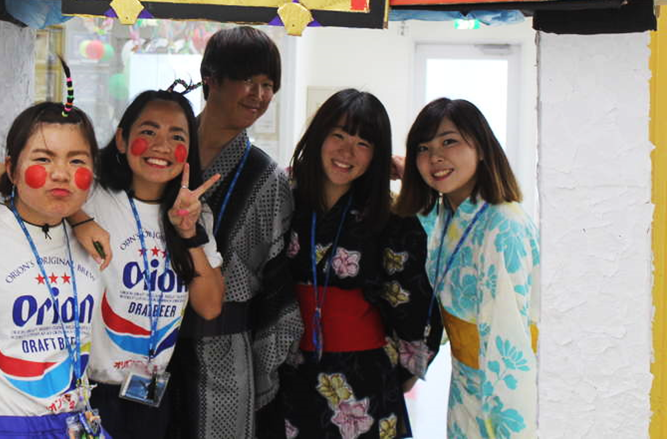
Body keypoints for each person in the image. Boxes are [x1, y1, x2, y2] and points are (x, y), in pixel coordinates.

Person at [280, 89, 442, 438]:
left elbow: (413, 298)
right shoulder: (284, 195)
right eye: (337, 135)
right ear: (318, 136)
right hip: (288, 369)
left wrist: (409, 365)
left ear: (377, 156)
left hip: (365, 376)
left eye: (363, 143)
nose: (346, 152)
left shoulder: (391, 214)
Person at [0, 101, 110, 438]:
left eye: (77, 160)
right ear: (11, 168)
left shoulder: (91, 239)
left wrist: (80, 218)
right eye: (43, 159)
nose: (61, 173)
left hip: (75, 422)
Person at [170, 26, 302, 439]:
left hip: (226, 353)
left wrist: (261, 373)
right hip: (147, 344)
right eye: (248, 80)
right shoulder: (163, 155)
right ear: (210, 77)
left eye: (268, 85)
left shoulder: (269, 179)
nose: (259, 95)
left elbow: (278, 287)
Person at [81, 87, 224, 437]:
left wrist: (189, 233)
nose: (162, 146)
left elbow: (210, 306)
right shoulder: (90, 197)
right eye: (148, 132)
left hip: (151, 393)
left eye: (176, 136)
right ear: (121, 139)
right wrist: (77, 219)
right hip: (90, 392)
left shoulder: (195, 213)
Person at [395, 98, 540, 439]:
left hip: (501, 390)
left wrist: (506, 427)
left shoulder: (504, 225)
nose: (435, 157)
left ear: (483, 148)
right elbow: (434, 241)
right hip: (465, 383)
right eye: (423, 148)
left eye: (449, 141)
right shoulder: (450, 215)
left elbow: (511, 342)